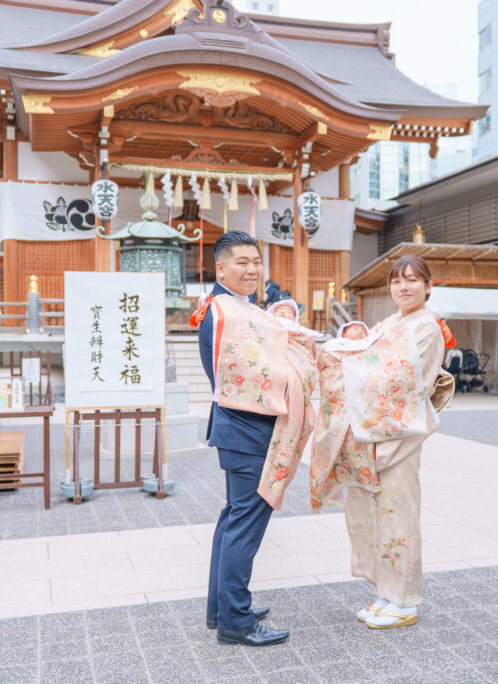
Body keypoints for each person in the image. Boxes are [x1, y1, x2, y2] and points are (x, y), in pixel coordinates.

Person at [309, 255, 454, 630]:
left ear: (428, 286)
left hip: (399, 437)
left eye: (412, 280)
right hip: (371, 436)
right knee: (374, 515)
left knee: (399, 514)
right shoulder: (392, 322)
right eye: (396, 282)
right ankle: (386, 592)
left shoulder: (428, 327)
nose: (403, 287)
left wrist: (354, 367)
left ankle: (405, 600)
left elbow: (402, 380)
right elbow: (366, 357)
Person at [195, 232, 289, 647]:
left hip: (238, 428)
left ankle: (223, 607)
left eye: (257, 262)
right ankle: (236, 619)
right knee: (245, 524)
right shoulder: (226, 313)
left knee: (234, 518)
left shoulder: (236, 308)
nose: (252, 270)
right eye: (242, 263)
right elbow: (251, 377)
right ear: (220, 268)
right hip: (247, 428)